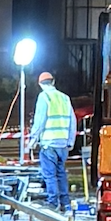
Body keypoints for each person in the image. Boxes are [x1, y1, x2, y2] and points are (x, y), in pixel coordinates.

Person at [28, 69, 77, 212]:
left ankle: (53, 202)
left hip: (49, 143)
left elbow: (40, 121)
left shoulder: (44, 97)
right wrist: (70, 141)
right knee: (61, 173)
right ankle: (65, 203)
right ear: (53, 82)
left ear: (40, 84)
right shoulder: (65, 98)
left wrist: (32, 141)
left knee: (49, 175)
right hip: (63, 144)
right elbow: (72, 121)